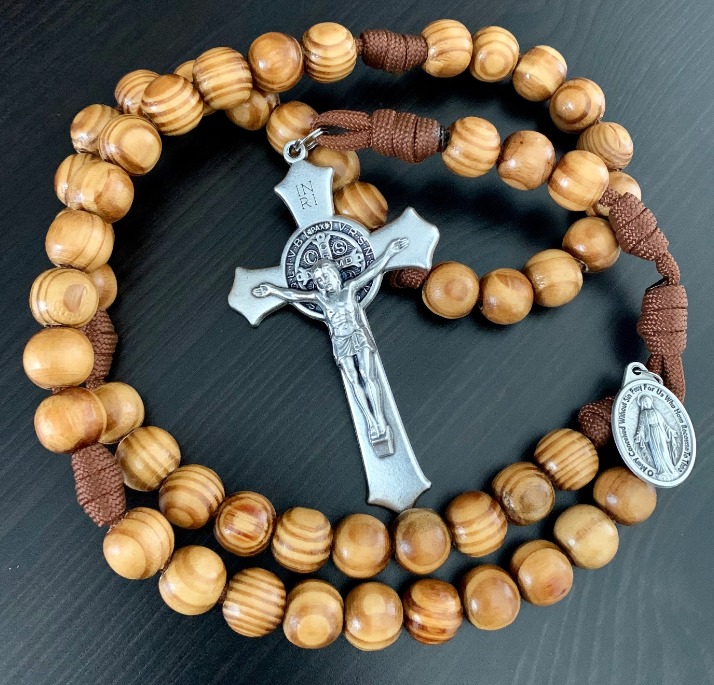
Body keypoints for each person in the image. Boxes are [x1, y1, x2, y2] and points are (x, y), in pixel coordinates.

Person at [252, 238, 409, 446]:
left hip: (358, 335)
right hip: (340, 341)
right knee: (354, 381)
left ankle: (381, 419)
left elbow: (373, 271)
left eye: (325, 276)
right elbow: (293, 295)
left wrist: (389, 252)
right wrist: (272, 290)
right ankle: (371, 422)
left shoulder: (350, 288)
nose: (323, 282)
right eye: (319, 279)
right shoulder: (320, 298)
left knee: (368, 376)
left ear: (335, 274)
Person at [633, 394, 679, 479]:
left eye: (647, 401)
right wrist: (638, 434)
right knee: (656, 452)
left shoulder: (656, 412)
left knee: (664, 450)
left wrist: (671, 431)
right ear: (642, 404)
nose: (646, 403)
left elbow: (664, 424)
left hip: (660, 432)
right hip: (651, 435)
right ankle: (661, 470)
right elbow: (640, 426)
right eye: (644, 402)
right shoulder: (643, 414)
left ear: (650, 402)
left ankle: (670, 469)